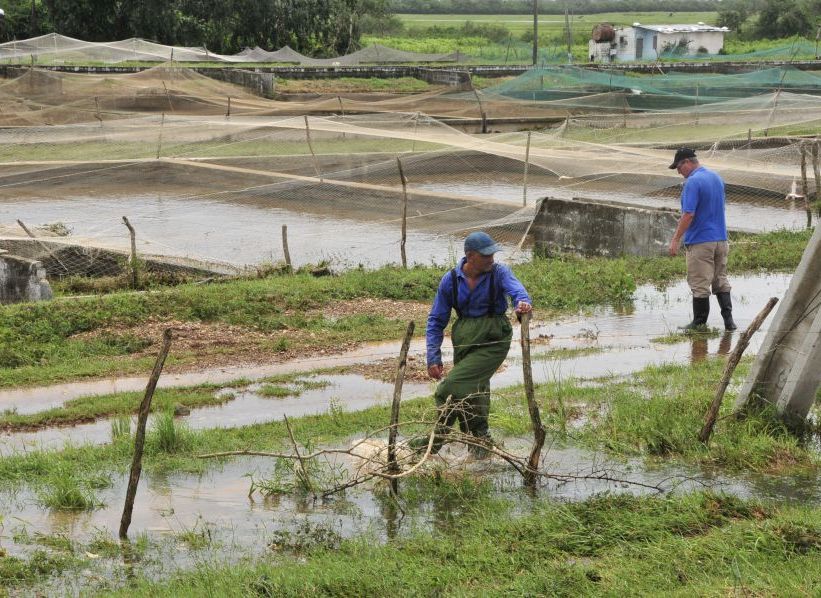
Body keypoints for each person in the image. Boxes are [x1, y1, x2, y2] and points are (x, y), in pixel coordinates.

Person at [421, 231, 532, 457]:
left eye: (493, 254)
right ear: (470, 256)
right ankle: (481, 446)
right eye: (486, 255)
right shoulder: (450, 280)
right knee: (474, 391)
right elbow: (436, 320)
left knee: (449, 387)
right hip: (464, 339)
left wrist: (523, 304)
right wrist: (433, 356)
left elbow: (517, 291)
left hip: (493, 339)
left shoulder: (499, 272)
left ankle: (433, 442)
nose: (492, 259)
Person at [668, 148, 736, 331]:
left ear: (687, 163)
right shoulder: (716, 178)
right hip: (721, 239)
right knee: (720, 280)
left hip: (700, 241)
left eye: (678, 167)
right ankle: (729, 322)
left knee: (699, 283)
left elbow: (689, 214)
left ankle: (699, 323)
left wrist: (676, 239)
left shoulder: (692, 182)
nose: (678, 171)